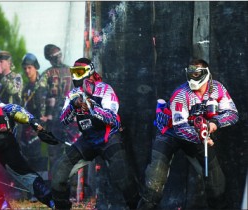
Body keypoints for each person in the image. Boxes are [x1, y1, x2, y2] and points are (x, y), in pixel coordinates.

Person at [138, 59, 239, 209]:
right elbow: (180, 128)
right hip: (169, 133)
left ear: (206, 74)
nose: (193, 77)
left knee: (216, 182)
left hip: (198, 133)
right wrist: (202, 136)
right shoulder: (181, 94)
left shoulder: (218, 89)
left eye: (197, 74)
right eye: (190, 74)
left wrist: (213, 124)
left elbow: (232, 113)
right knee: (154, 184)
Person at [51, 58, 140, 210]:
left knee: (123, 178)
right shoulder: (73, 94)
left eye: (79, 72)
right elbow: (64, 120)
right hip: (88, 140)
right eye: (74, 72)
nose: (75, 76)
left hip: (108, 137)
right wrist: (74, 104)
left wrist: (91, 107)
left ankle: (138, 207)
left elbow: (111, 118)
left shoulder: (105, 89)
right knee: (59, 172)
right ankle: (62, 207)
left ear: (89, 71)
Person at [39, 44, 80, 184]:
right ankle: (73, 186)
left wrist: (43, 115)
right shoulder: (72, 71)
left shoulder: (46, 74)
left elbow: (41, 96)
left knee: (54, 154)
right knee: (72, 151)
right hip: (70, 119)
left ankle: (57, 186)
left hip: (54, 119)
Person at [20, 53, 49, 193]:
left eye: (29, 68)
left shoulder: (44, 84)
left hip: (43, 127)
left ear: (35, 68)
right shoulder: (26, 89)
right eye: (25, 68)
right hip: (28, 127)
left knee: (41, 159)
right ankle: (31, 190)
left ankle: (43, 189)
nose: (27, 71)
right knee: (28, 158)